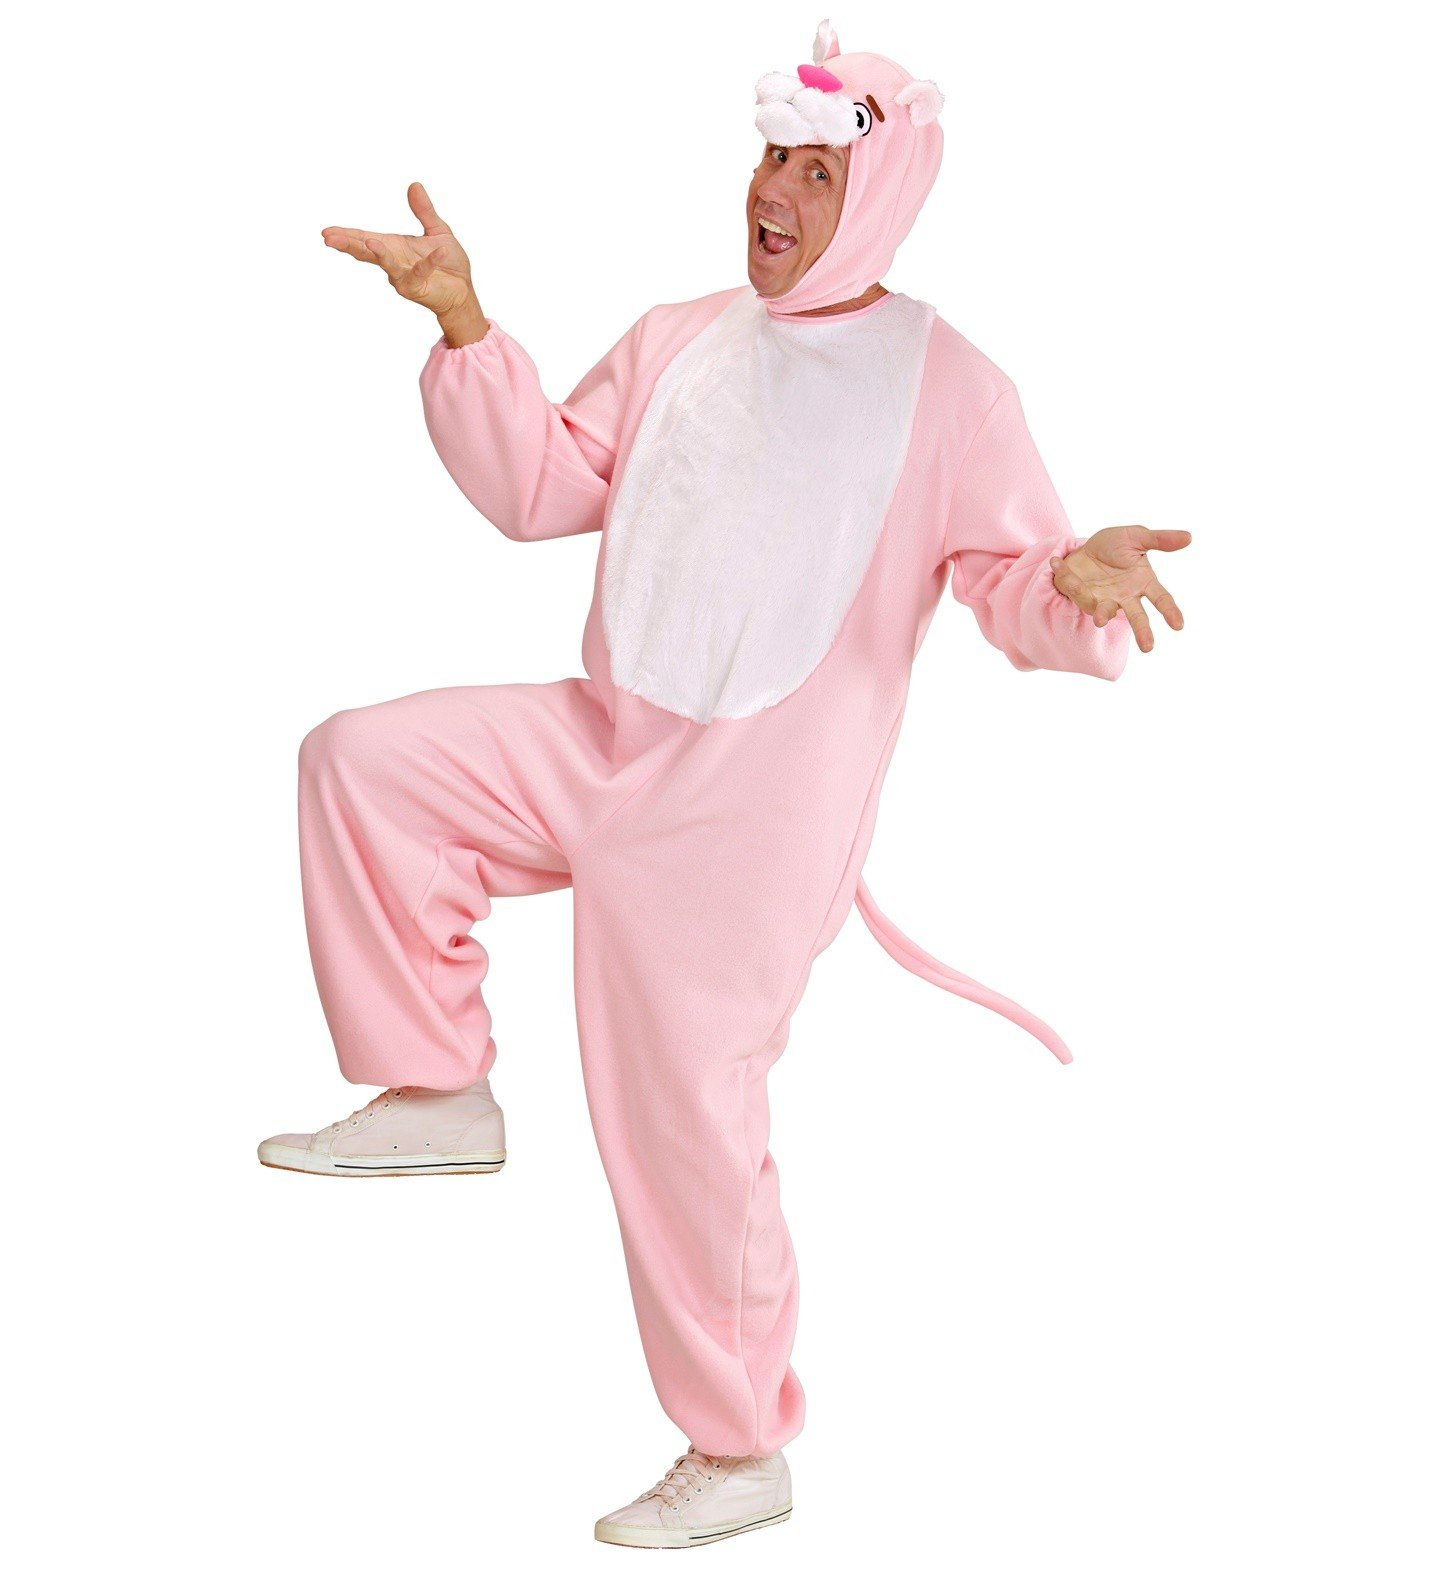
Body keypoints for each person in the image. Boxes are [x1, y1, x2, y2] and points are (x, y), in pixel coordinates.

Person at [259, 19, 1189, 1549]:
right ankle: (437, 1087)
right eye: (771, 158)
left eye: (818, 173)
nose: (774, 192)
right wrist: (466, 328)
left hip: (749, 819)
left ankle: (739, 1446)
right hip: (600, 739)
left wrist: (1071, 580)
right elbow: (543, 486)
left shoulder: (949, 388)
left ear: (879, 199)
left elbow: (1011, 580)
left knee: (681, 1118)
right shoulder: (682, 334)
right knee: (367, 763)